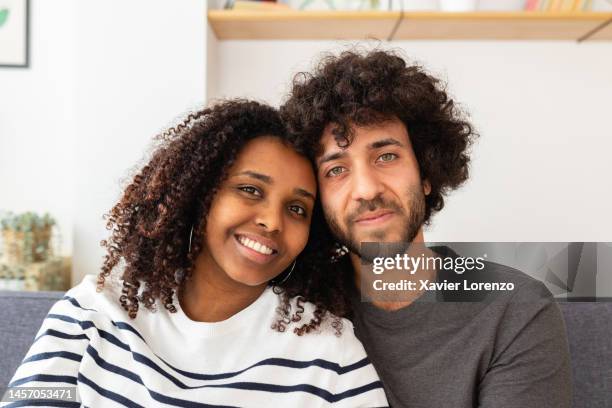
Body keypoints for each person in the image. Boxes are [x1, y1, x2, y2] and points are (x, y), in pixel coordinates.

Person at [6, 100, 388, 407]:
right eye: (250, 190)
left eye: (297, 209)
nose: (272, 222)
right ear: (201, 195)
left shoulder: (328, 353)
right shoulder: (92, 314)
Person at [281, 50, 572, 408]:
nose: (366, 190)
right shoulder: (294, 307)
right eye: (336, 170)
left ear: (427, 174)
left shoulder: (515, 310)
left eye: (386, 156)